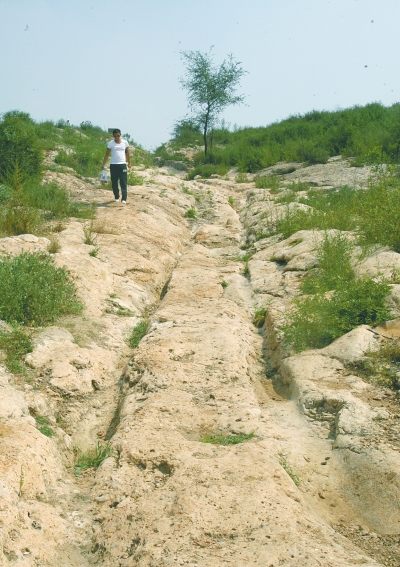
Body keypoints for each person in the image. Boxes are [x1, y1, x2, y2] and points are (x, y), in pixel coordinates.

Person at [102, 129, 131, 204]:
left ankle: (124, 198)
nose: (116, 137)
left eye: (118, 135)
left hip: (122, 165)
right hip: (113, 165)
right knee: (114, 182)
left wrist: (129, 163)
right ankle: (116, 196)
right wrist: (103, 164)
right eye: (115, 136)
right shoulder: (111, 143)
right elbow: (107, 154)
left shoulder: (125, 142)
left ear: (120, 134)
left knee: (123, 182)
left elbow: (127, 153)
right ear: (113, 136)